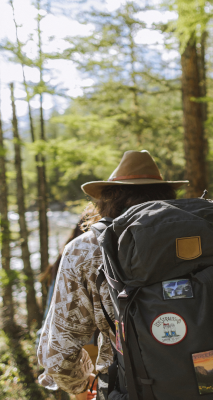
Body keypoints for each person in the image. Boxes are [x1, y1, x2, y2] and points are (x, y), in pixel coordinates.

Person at [37, 150, 188, 400]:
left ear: (108, 198)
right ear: (167, 194)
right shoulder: (204, 237)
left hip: (133, 389)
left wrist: (81, 386)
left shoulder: (86, 248)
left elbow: (58, 356)